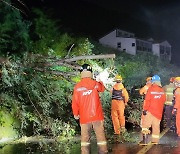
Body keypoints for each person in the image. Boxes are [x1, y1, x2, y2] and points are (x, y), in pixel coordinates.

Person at [72, 63, 108, 154]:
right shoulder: (95, 84)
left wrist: (76, 114)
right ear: (90, 72)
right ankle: (103, 152)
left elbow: (75, 103)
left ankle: (85, 153)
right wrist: (100, 80)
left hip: (84, 117)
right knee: (100, 136)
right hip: (97, 116)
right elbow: (102, 89)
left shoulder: (77, 87)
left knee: (85, 138)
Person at [139, 75, 166, 145]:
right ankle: (155, 141)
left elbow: (147, 100)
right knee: (156, 126)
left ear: (153, 82)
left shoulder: (151, 89)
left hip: (150, 111)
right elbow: (164, 100)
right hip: (159, 112)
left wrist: (145, 109)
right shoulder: (162, 90)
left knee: (145, 126)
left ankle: (144, 141)